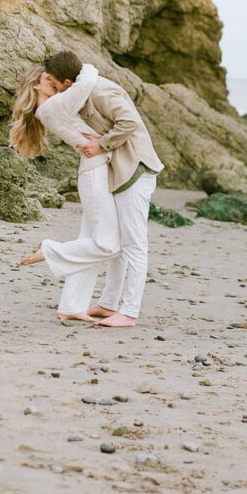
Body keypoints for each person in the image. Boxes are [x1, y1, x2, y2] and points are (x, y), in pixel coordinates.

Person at [41, 51, 164, 329]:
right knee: (119, 244)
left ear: (68, 82)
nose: (55, 89)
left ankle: (130, 312)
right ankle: (109, 304)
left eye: (55, 83)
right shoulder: (83, 92)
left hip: (135, 170)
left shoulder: (101, 90)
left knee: (134, 244)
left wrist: (102, 144)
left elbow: (129, 122)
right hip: (120, 173)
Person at [9, 61, 120, 323]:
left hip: (96, 169)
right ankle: (49, 250)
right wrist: (83, 67)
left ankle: (71, 306)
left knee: (90, 239)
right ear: (36, 84)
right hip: (95, 174)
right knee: (108, 245)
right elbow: (89, 79)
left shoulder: (51, 106)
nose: (57, 84)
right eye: (49, 79)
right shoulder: (54, 106)